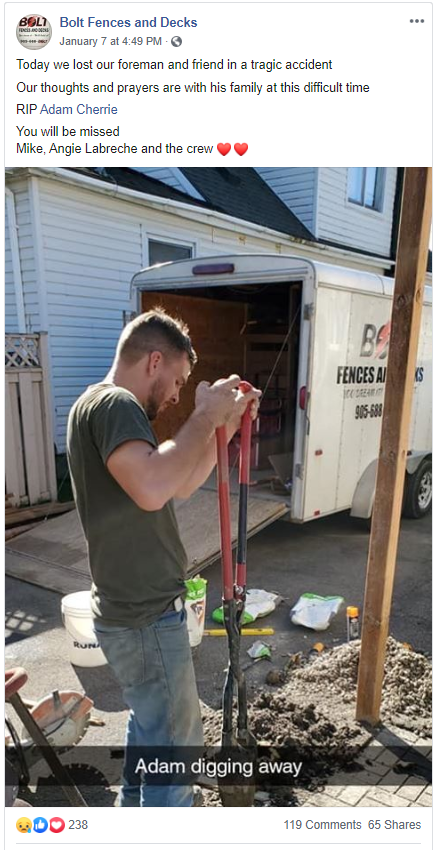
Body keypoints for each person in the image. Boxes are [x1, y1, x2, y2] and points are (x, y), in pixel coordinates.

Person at [66, 307, 261, 807]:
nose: (177, 395)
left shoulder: (94, 406)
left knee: (151, 728)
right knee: (175, 760)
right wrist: (204, 415)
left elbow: (179, 482)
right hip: (146, 616)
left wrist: (224, 427)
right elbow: (155, 486)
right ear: (154, 361)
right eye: (177, 380)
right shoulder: (114, 404)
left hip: (131, 614)